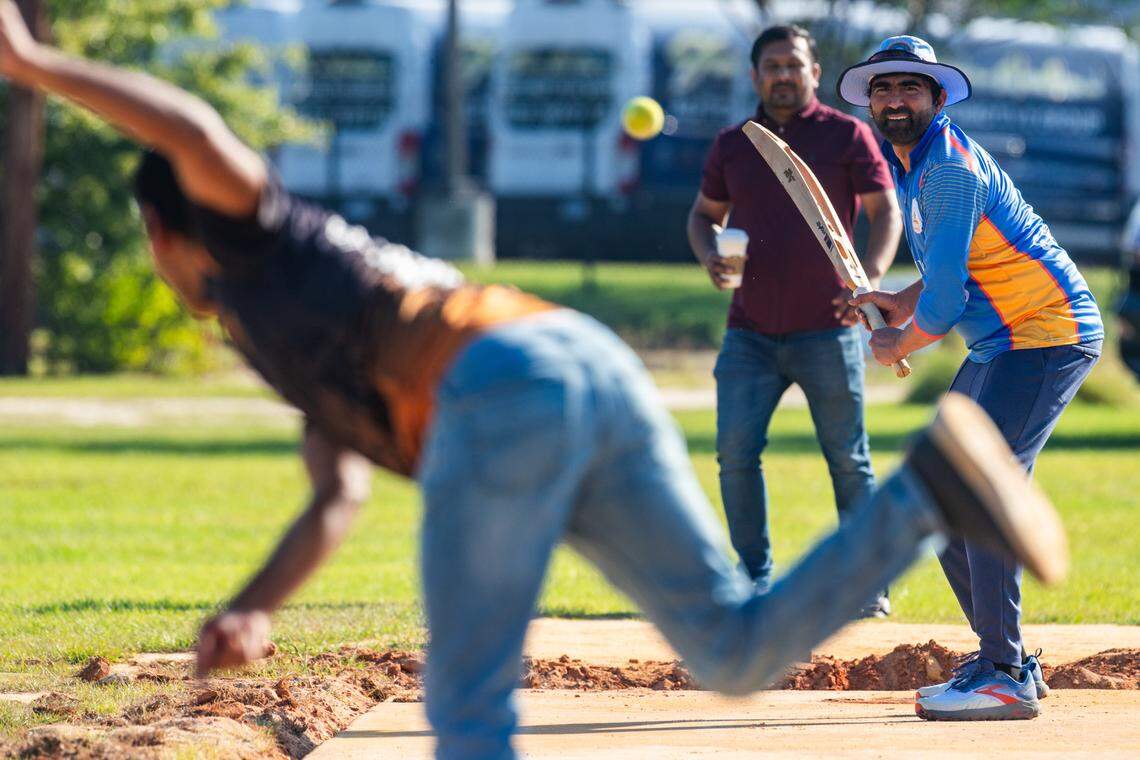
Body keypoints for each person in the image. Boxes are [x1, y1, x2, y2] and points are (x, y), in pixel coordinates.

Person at [0, 6, 1070, 755]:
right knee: (734, 646)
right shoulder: (276, 337)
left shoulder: (262, 241)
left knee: (466, 704)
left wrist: (34, 65)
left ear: (162, 226)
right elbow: (337, 493)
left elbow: (187, 128)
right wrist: (249, 607)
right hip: (578, 367)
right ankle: (935, 491)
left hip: (495, 384)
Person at [838, 35, 1104, 721]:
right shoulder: (917, 162)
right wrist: (901, 300)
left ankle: (1003, 674)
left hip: (1046, 335)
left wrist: (904, 337)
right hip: (1000, 343)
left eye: (909, 88)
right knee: (941, 491)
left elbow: (949, 303)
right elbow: (956, 269)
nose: (895, 100)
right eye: (883, 89)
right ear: (871, 100)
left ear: (935, 97)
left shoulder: (946, 169)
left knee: (980, 493)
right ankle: (1001, 660)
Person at [687, 25, 902, 617]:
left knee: (847, 457)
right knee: (734, 454)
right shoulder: (734, 143)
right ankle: (754, 575)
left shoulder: (847, 134)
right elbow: (704, 216)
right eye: (772, 65)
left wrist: (868, 279)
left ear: (813, 72)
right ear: (755, 76)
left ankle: (865, 582)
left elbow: (887, 213)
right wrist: (710, 254)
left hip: (828, 329)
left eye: (794, 65)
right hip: (748, 332)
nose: (783, 74)